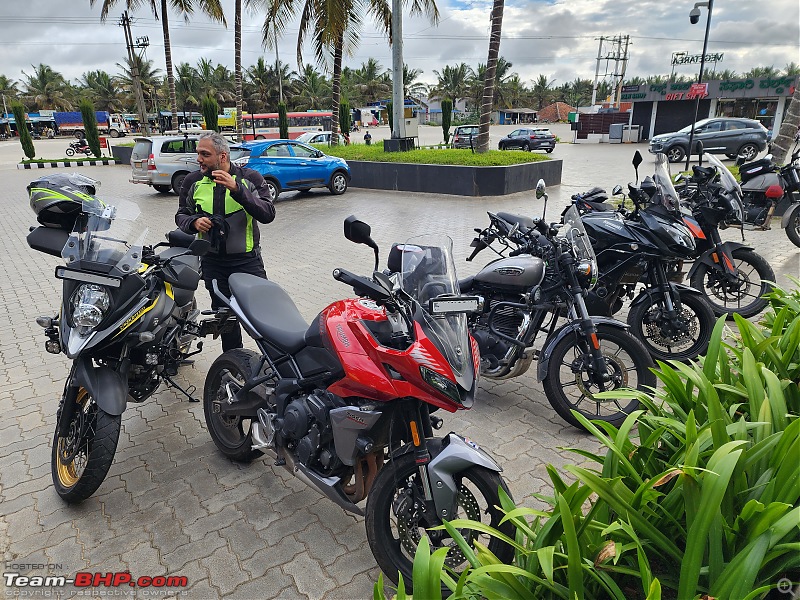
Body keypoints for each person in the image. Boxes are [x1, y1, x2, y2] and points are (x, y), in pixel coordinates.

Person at [175, 131, 276, 351]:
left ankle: (278, 367)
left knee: (265, 318)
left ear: (223, 156)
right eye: (198, 153)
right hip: (214, 265)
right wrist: (193, 223)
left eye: (204, 154)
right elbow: (181, 215)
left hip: (248, 263)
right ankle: (234, 367)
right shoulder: (193, 181)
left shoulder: (250, 179)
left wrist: (238, 190)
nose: (198, 159)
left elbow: (268, 214)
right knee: (226, 323)